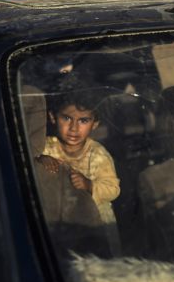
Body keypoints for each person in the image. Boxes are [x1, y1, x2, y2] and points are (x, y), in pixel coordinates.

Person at [36, 90, 121, 226]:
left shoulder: (98, 154)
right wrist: (40, 160)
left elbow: (113, 189)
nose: (73, 128)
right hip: (57, 218)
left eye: (83, 120)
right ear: (53, 117)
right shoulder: (44, 147)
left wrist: (89, 185)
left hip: (95, 223)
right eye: (67, 118)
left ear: (95, 124)